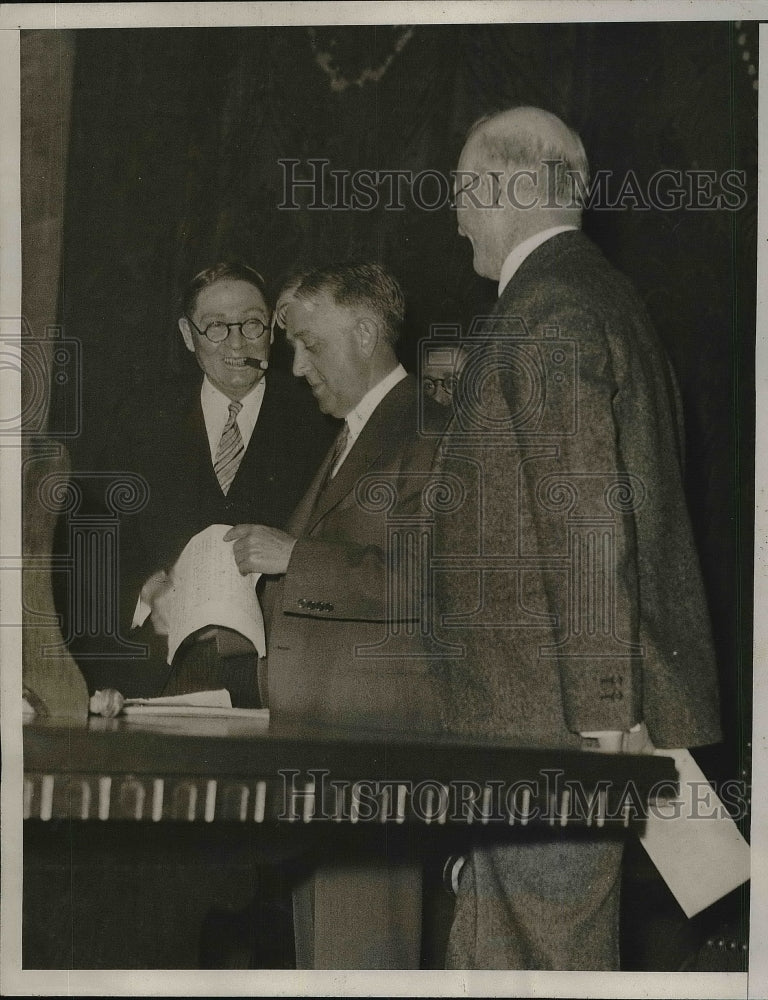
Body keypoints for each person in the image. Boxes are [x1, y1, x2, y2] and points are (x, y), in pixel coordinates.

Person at [433, 107, 723, 969]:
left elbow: (588, 522)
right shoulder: (599, 297)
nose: (455, 215)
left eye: (462, 191)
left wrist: (605, 715)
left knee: (547, 961)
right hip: (541, 720)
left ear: (510, 187)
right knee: (500, 957)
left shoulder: (549, 309)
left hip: (553, 728)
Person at [224, 261, 448, 968]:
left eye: (310, 344)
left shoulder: (432, 429)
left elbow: (437, 585)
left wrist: (296, 558)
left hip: (374, 755)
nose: (295, 367)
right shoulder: (354, 434)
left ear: (366, 331)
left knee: (360, 962)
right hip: (321, 752)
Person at [83, 260, 336, 705]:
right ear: (188, 335)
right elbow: (92, 543)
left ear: (272, 330)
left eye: (252, 323)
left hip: (271, 686)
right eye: (216, 327)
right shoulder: (139, 418)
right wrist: (144, 592)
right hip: (147, 680)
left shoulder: (320, 423)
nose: (236, 343)